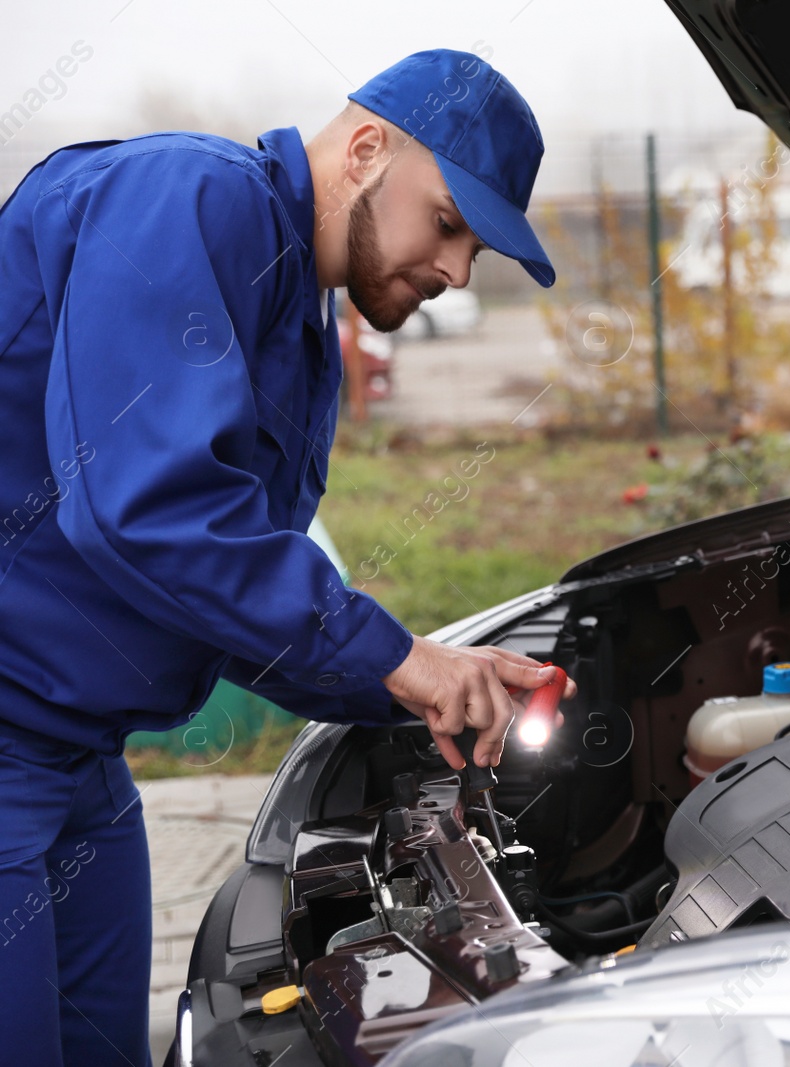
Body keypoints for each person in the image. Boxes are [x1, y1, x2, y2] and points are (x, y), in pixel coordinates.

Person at [0, 49, 567, 1066]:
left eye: (475, 251)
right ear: (363, 148)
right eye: (446, 223)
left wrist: (418, 682)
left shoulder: (299, 325)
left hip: (77, 753)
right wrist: (403, 657)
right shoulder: (185, 196)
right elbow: (147, 512)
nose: (453, 271)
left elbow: (224, 591)